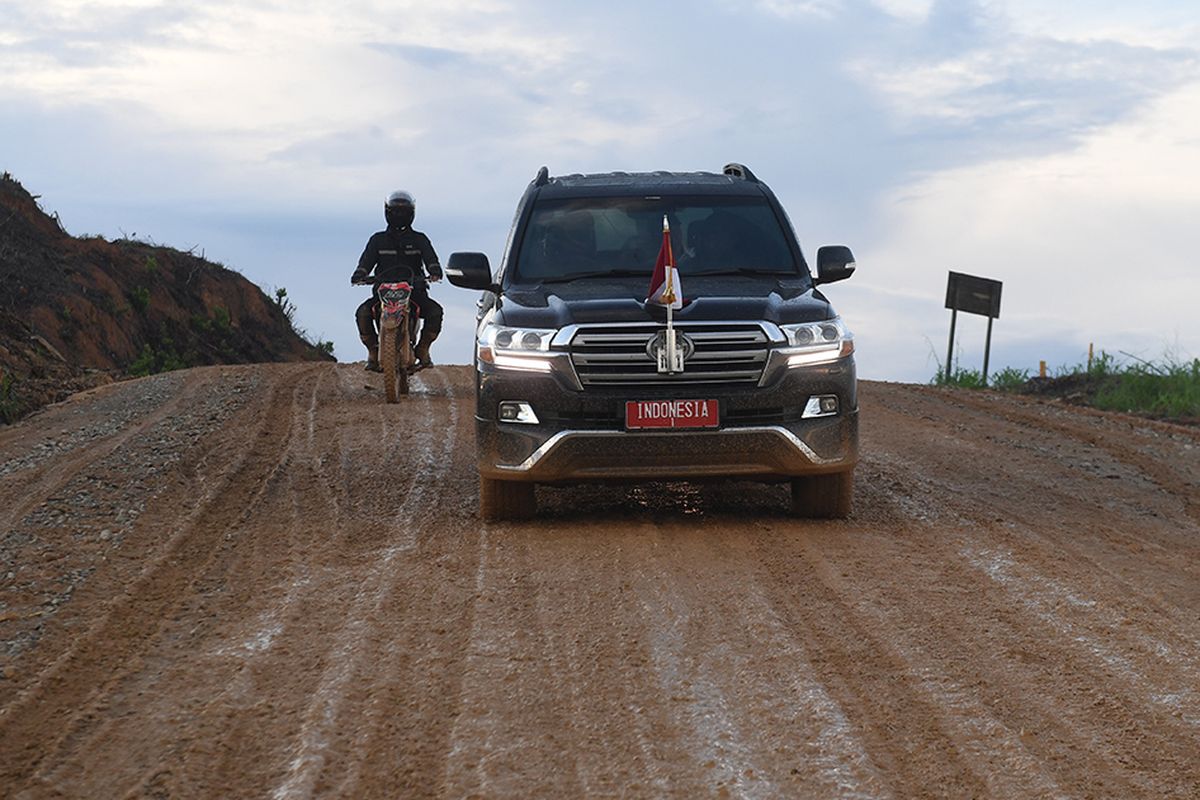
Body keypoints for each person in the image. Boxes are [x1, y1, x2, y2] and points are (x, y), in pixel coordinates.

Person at [351, 190, 444, 371]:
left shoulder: (420, 239)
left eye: (404, 211)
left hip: (414, 291)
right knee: (362, 313)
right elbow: (365, 263)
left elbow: (432, 261)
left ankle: (423, 349)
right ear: (387, 213)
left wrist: (435, 272)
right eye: (395, 211)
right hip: (383, 294)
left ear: (411, 214)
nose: (399, 215)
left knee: (435, 312)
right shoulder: (377, 240)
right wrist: (359, 275)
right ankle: (372, 351)